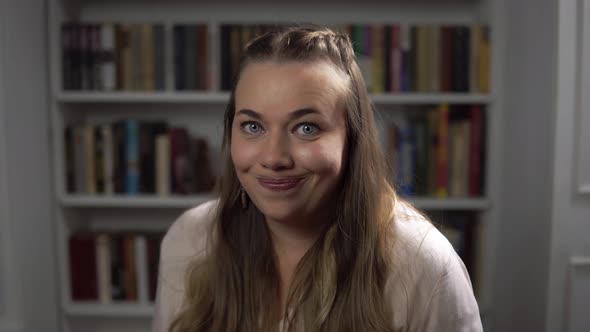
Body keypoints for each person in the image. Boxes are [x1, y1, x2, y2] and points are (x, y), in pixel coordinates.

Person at [152, 25, 483, 332]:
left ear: (352, 139)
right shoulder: (190, 240)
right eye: (253, 126)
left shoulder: (425, 267)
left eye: (306, 128)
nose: (273, 158)